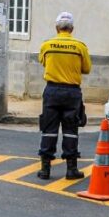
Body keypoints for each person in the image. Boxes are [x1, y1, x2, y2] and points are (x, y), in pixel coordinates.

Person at [36, 11, 91, 180]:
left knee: (49, 130)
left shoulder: (47, 45)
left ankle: (45, 169)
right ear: (72, 29)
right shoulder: (80, 46)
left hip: (52, 91)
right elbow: (86, 69)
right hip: (72, 93)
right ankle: (71, 169)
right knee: (70, 130)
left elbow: (43, 62)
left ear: (56, 28)